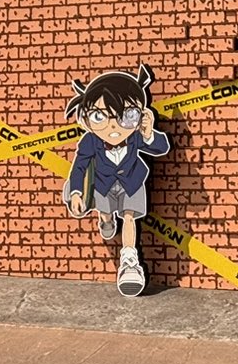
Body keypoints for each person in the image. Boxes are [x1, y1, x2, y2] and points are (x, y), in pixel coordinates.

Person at [63, 64, 168, 296]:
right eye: (99, 116)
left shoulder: (136, 136)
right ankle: (106, 220)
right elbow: (79, 167)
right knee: (106, 213)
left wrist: (149, 133)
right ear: (87, 118)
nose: (113, 126)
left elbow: (161, 148)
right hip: (102, 184)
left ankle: (129, 262)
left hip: (132, 181)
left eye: (125, 116)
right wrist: (76, 192)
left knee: (130, 217)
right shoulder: (90, 141)